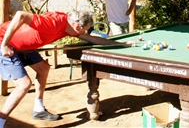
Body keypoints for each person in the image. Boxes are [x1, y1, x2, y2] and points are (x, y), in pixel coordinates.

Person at [0, 10, 135, 127]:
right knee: (24, 84)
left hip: (24, 47)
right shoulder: (54, 22)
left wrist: (121, 44)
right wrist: (5, 44)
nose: (85, 32)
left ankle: (38, 109)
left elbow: (92, 39)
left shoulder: (69, 28)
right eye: (85, 29)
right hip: (5, 42)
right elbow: (20, 15)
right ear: (77, 26)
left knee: (43, 68)